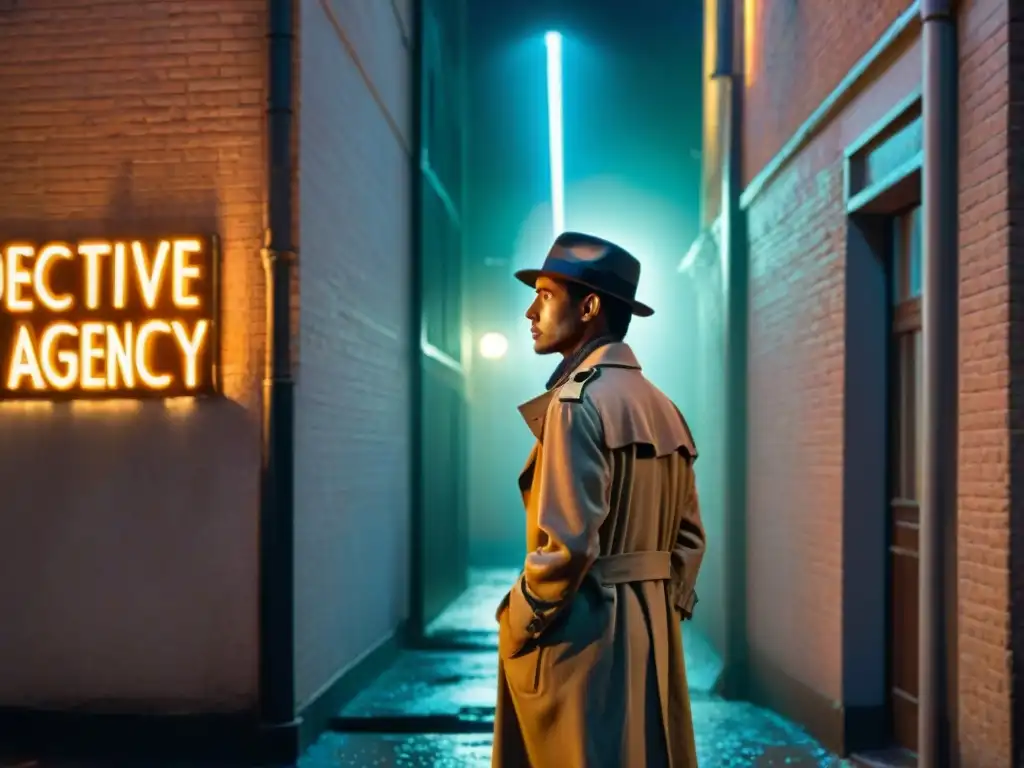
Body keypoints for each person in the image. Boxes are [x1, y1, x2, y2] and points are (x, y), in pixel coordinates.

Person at [492, 231, 706, 768]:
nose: (530, 311)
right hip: (654, 645)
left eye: (545, 295)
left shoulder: (575, 404)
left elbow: (567, 547)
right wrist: (658, 609)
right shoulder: (664, 408)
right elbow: (690, 540)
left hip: (584, 643)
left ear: (588, 307)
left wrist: (517, 618)